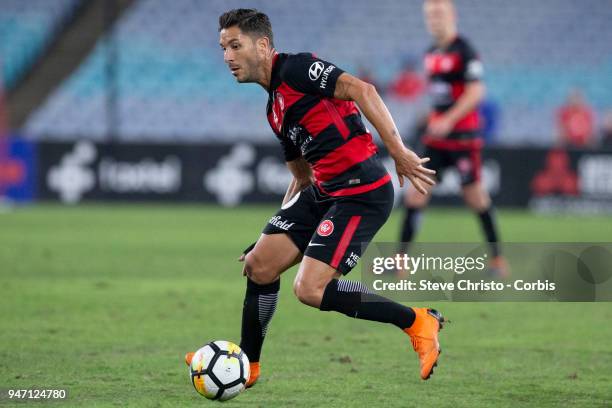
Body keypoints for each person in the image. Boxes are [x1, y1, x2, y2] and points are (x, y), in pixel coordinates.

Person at [185, 8, 446, 386]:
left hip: (363, 193)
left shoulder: (297, 69)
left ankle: (417, 321)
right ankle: (248, 367)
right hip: (323, 191)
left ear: (262, 45)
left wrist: (398, 151)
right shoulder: (274, 109)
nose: (227, 56)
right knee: (259, 264)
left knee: (309, 289)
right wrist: (268, 233)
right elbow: (301, 178)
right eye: (223, 47)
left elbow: (363, 90)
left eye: (235, 45)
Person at [400, 0, 508, 276]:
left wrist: (448, 119)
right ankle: (400, 261)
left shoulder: (465, 50)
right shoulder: (431, 53)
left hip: (463, 138)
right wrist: (433, 118)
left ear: (452, 15)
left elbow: (476, 92)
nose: (433, 20)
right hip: (436, 139)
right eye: (429, 15)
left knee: (475, 196)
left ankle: (498, 260)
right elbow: (441, 95)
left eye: (438, 14)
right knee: (416, 193)